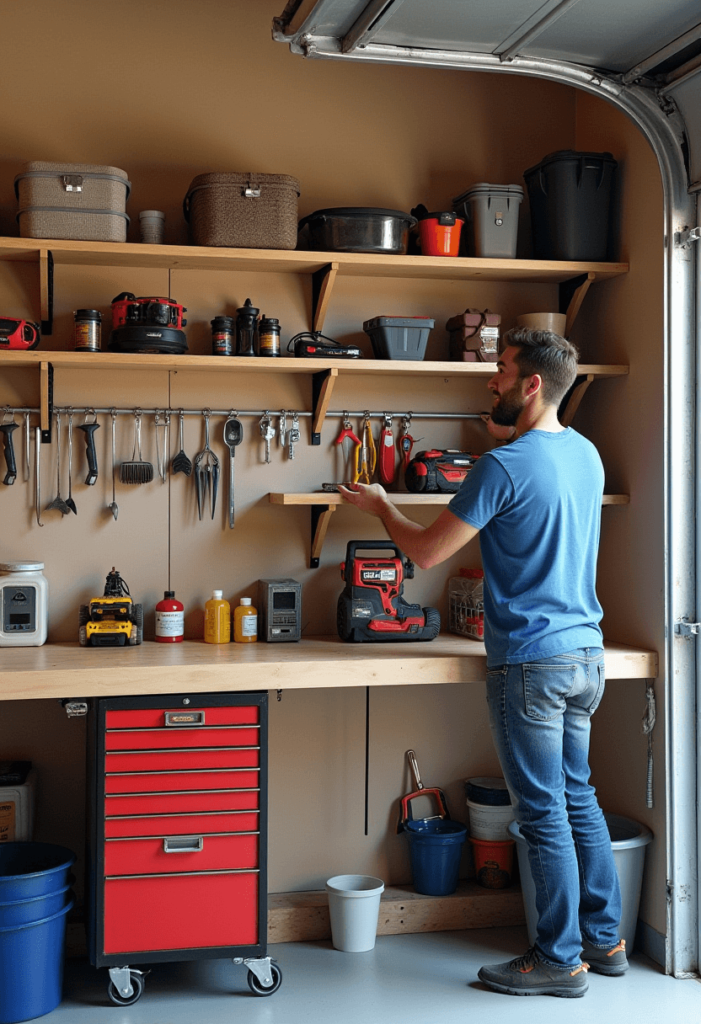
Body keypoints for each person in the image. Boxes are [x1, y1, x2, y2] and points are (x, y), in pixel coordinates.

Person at [338, 327, 625, 998]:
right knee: (577, 797)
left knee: (542, 811)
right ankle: (604, 939)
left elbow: (429, 554)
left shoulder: (501, 467)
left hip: (530, 662)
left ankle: (557, 961)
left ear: (530, 384)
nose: (488, 381)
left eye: (498, 371)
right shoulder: (585, 455)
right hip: (585, 655)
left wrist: (382, 505)